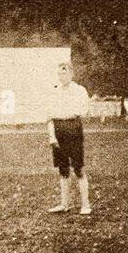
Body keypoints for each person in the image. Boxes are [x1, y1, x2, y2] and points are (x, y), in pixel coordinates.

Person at [47, 62, 92, 215]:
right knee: (63, 169)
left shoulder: (79, 90)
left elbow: (80, 111)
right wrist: (52, 137)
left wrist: (62, 115)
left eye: (64, 73)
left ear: (71, 74)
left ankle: (85, 205)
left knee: (78, 168)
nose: (61, 76)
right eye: (59, 73)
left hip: (73, 129)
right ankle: (64, 204)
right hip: (58, 129)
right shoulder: (55, 91)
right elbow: (49, 116)